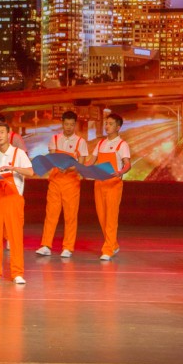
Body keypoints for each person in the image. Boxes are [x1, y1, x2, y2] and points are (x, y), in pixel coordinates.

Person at [0, 121, 34, 284]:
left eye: (2, 132)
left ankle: (17, 273)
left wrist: (13, 169)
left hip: (13, 198)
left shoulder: (18, 153)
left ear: (8, 134)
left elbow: (30, 172)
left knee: (15, 237)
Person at [79, 110, 131, 261]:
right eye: (106, 123)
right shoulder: (100, 143)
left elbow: (128, 164)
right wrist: (82, 167)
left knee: (111, 218)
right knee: (102, 217)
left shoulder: (122, 145)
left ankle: (108, 249)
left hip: (114, 184)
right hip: (99, 183)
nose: (107, 126)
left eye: (110, 124)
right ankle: (113, 244)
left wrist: (120, 172)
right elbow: (92, 160)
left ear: (118, 127)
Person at [37, 110, 88, 258]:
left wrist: (69, 168)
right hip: (55, 181)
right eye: (66, 124)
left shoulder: (80, 142)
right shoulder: (55, 139)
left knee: (70, 216)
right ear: (62, 124)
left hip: (71, 183)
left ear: (75, 125)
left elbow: (81, 165)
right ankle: (46, 245)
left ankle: (68, 247)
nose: (69, 127)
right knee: (51, 214)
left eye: (71, 124)